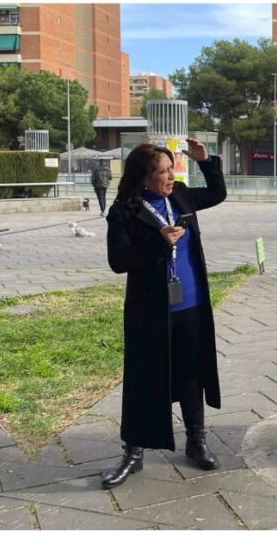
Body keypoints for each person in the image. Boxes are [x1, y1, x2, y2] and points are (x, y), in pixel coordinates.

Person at [101, 138, 226, 489]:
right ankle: (134, 453)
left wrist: (206, 162)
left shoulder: (182, 196)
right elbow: (118, 261)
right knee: (144, 377)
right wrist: (158, 241)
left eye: (173, 168)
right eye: (163, 170)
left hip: (192, 303)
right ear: (144, 177)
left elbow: (217, 194)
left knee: (191, 374)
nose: (171, 175)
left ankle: (196, 441)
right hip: (150, 310)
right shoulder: (124, 210)